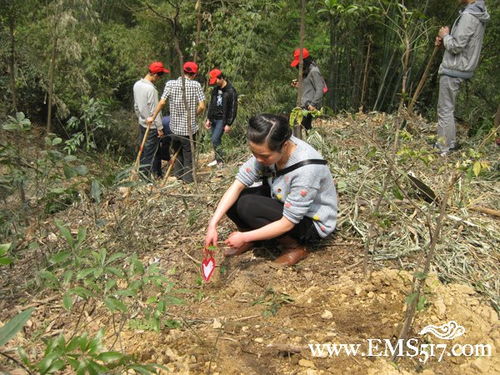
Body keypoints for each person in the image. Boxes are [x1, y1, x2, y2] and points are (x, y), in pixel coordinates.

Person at [205, 113, 338, 266]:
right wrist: (212, 224)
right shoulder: (268, 150)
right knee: (236, 200)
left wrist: (245, 237)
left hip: (310, 222)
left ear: (285, 145)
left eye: (264, 156)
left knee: (248, 205)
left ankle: (294, 247)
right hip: (281, 199)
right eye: (254, 154)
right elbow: (237, 185)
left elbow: (287, 223)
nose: (258, 160)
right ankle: (254, 238)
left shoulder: (307, 170)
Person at [434, 0, 490, 156]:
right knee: (448, 109)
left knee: (444, 109)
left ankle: (443, 148)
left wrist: (445, 36)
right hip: (462, 67)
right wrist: (445, 41)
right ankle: (449, 144)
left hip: (454, 68)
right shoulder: (477, 13)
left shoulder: (468, 15)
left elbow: (457, 46)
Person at [148, 62, 206, 183]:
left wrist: (153, 117)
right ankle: (188, 180)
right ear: (194, 74)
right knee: (188, 155)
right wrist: (194, 115)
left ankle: (178, 176)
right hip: (188, 130)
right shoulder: (196, 85)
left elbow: (162, 102)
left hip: (174, 128)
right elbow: (202, 106)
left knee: (177, 152)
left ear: (183, 71)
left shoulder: (170, 84)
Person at [133, 61, 169, 178]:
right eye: (160, 75)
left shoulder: (137, 85)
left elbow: (136, 106)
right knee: (149, 152)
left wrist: (141, 117)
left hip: (143, 122)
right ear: (155, 74)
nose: (159, 78)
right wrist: (159, 128)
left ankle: (157, 173)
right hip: (152, 125)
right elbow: (155, 111)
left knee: (153, 149)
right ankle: (144, 177)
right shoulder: (151, 90)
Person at [205, 69, 238, 167]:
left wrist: (229, 123)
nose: (215, 83)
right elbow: (211, 104)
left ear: (221, 78)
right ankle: (217, 158)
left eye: (216, 80)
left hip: (222, 119)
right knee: (215, 139)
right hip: (214, 118)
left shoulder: (231, 91)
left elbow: (233, 108)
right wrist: (208, 119)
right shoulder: (215, 90)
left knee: (215, 139)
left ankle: (220, 161)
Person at [290, 48, 326, 131]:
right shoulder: (307, 71)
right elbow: (309, 86)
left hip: (309, 106)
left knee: (302, 129)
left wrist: (313, 104)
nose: (297, 65)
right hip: (303, 106)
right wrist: (299, 85)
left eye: (299, 63)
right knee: (302, 129)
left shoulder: (314, 71)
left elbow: (320, 89)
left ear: (304, 61)